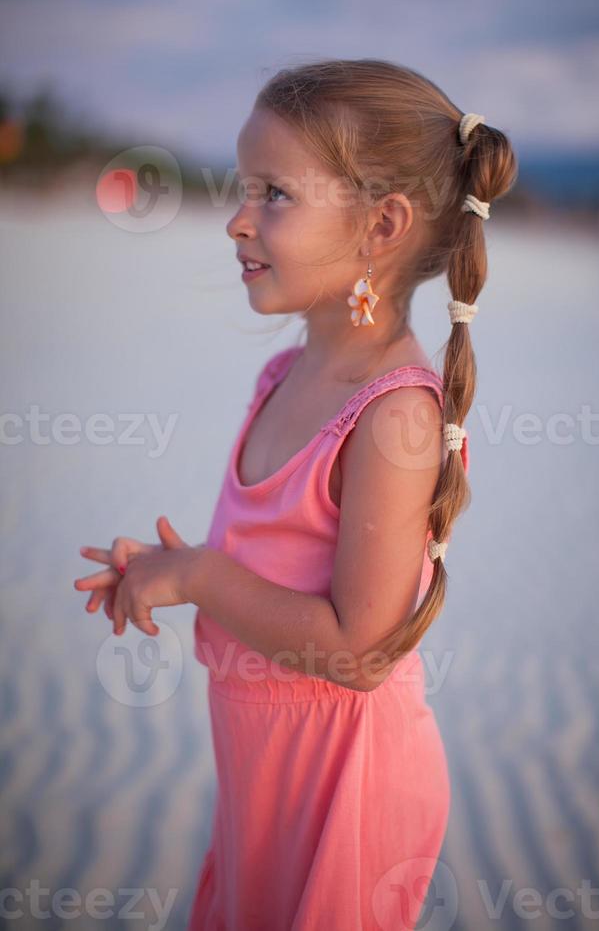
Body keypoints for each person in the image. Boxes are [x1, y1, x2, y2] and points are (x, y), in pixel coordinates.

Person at [74, 58, 518, 930]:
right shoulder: (284, 373)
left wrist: (200, 577)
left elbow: (360, 650)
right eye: (243, 190)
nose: (237, 221)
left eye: (275, 194)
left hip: (344, 784)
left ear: (382, 224)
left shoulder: (393, 416)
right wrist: (168, 568)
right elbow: (264, 568)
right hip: (263, 776)